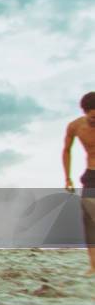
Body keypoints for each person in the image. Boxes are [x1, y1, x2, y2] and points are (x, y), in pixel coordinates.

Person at [63, 91, 95, 275]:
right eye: (92, 118)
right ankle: (93, 266)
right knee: (90, 221)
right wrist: (68, 177)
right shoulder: (75, 127)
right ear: (85, 112)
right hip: (91, 175)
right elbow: (66, 150)